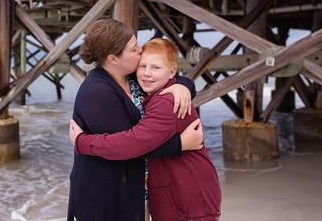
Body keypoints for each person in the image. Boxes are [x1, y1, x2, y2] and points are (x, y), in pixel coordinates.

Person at [70, 37, 221, 221]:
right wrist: (180, 142)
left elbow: (133, 143)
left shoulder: (166, 102)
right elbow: (138, 143)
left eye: (155, 68)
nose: (147, 73)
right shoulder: (132, 86)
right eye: (142, 65)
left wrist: (82, 142)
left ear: (172, 72)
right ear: (113, 58)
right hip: (173, 194)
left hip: (188, 196)